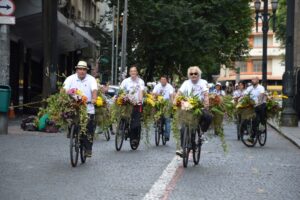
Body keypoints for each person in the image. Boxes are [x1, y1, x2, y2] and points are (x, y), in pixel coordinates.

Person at [174, 66, 211, 156]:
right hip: (187, 107)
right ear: (189, 75)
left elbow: (206, 94)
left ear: (199, 74)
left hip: (199, 106)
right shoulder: (186, 83)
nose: (193, 75)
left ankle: (202, 133)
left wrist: (206, 103)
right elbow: (179, 92)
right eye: (191, 74)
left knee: (208, 117)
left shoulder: (203, 82)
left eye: (195, 73)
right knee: (183, 128)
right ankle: (183, 149)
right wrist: (175, 100)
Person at [63, 61, 98, 158]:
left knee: (89, 128)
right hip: (74, 106)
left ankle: (88, 149)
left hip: (88, 107)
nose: (82, 71)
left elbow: (94, 90)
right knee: (67, 116)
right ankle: (71, 130)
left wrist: (94, 99)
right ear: (77, 70)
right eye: (80, 69)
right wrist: (64, 98)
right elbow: (64, 90)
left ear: (86, 70)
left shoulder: (91, 79)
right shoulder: (70, 78)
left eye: (84, 69)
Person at [120, 65, 145, 148]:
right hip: (127, 103)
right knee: (122, 115)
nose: (133, 73)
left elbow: (141, 91)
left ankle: (134, 138)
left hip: (136, 103)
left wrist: (140, 101)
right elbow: (121, 90)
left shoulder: (140, 81)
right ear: (129, 73)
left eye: (134, 71)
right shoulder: (125, 81)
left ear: (137, 72)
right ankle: (123, 127)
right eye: (131, 71)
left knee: (135, 122)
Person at [244, 77, 267, 143]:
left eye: (254, 79)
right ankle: (251, 135)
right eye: (252, 79)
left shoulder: (261, 87)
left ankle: (262, 125)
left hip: (260, 104)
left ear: (257, 81)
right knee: (254, 120)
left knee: (261, 109)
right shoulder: (249, 88)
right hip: (252, 105)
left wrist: (258, 102)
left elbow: (261, 95)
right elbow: (245, 94)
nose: (252, 80)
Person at [152, 75, 174, 141]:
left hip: (166, 103)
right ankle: (156, 122)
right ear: (160, 80)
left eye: (164, 80)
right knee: (154, 111)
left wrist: (171, 104)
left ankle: (167, 135)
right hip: (159, 102)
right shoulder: (157, 86)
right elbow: (153, 93)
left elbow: (171, 95)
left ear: (166, 81)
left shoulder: (169, 87)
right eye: (161, 80)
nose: (163, 81)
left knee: (167, 120)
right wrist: (154, 97)